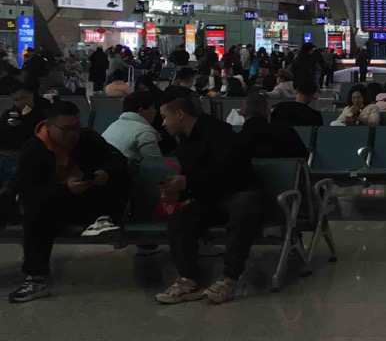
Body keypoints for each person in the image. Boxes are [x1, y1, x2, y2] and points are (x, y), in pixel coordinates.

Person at [153, 89, 270, 306]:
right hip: (214, 198)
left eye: (165, 116)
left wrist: (187, 183)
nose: (163, 123)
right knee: (180, 220)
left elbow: (227, 173)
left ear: (180, 114)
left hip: (241, 192)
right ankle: (188, 281)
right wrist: (178, 191)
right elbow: (198, 182)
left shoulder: (218, 131)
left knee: (243, 209)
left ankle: (229, 279)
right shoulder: (184, 143)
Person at [7, 101, 129, 303]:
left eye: (76, 127)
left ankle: (107, 218)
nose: (73, 134)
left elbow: (119, 160)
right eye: (66, 129)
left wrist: (104, 172)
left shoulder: (87, 138)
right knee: (35, 213)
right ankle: (35, 280)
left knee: (119, 177)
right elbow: (31, 193)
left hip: (88, 198)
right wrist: (66, 190)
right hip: (55, 202)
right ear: (48, 126)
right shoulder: (34, 149)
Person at [237, 90, 310, 159]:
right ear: (267, 112)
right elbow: (303, 158)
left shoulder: (237, 141)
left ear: (242, 113)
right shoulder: (287, 132)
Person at [101, 89, 164, 163]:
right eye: (153, 107)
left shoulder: (114, 125)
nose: (155, 111)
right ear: (141, 111)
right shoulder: (145, 132)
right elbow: (156, 164)